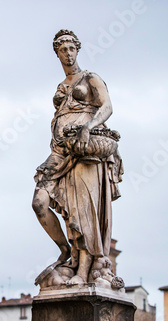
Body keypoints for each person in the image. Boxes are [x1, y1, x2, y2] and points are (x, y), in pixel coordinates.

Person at [32, 29, 123, 286]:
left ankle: (83, 270)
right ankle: (65, 250)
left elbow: (107, 106)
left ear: (78, 50)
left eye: (72, 48)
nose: (68, 53)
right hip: (59, 152)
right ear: (57, 53)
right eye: (63, 49)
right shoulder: (62, 86)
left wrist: (88, 126)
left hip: (85, 149)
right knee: (39, 203)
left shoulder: (90, 77)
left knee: (81, 211)